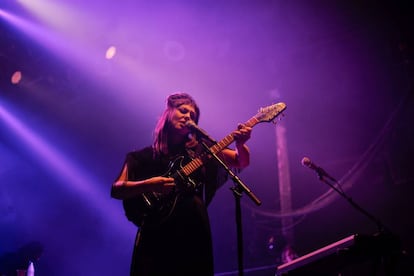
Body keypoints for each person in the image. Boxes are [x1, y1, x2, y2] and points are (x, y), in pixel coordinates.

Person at [111, 92, 252, 275]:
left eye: (192, 115)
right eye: (183, 110)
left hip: (193, 229)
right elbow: (117, 190)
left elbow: (241, 162)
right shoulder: (141, 157)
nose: (187, 116)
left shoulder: (202, 149)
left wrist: (241, 144)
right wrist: (149, 185)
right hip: (156, 235)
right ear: (168, 113)